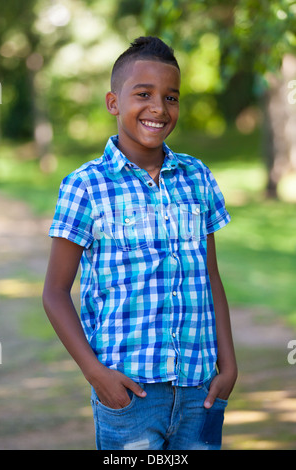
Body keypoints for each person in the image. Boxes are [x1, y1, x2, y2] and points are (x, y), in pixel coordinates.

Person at [43, 36, 237, 451]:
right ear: (114, 103)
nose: (159, 108)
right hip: (128, 393)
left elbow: (211, 277)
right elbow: (55, 293)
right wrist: (97, 375)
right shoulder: (86, 186)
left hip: (199, 391)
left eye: (171, 97)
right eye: (143, 94)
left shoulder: (197, 177)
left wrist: (229, 365)